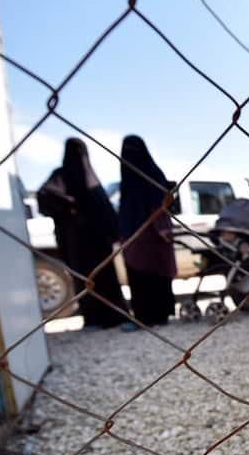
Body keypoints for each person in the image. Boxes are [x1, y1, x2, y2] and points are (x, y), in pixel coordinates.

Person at [36, 138, 130, 330]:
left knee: (103, 279)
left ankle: (113, 317)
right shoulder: (64, 176)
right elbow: (45, 196)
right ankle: (95, 318)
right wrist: (70, 206)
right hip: (80, 241)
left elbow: (105, 209)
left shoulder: (87, 176)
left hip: (93, 242)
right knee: (87, 280)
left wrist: (113, 232)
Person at [118, 135, 177, 328]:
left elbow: (159, 204)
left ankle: (159, 315)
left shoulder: (152, 174)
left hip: (153, 236)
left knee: (156, 274)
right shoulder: (127, 179)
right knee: (138, 277)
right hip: (133, 237)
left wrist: (162, 228)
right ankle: (144, 317)